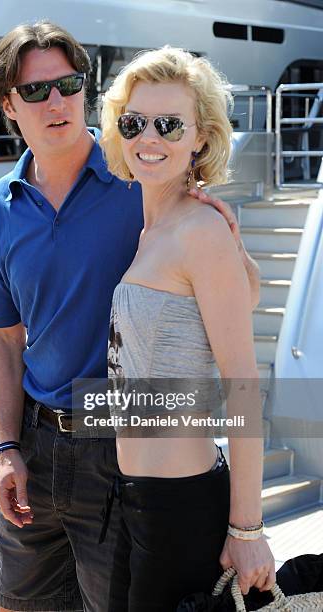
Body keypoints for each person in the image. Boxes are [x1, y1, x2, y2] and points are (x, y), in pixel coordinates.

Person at [0, 21, 260, 612]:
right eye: (35, 91)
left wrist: (246, 527)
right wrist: (7, 446)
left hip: (124, 447)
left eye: (69, 84)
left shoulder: (141, 179)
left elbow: (234, 321)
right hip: (35, 439)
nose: (57, 102)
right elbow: (3, 338)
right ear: (8, 105)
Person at [99, 46, 275, 611]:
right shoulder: (155, 230)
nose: (149, 137)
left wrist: (247, 530)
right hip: (137, 498)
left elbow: (243, 383)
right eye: (134, 122)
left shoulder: (200, 230)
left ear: (200, 136)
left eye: (169, 124)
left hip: (180, 507)